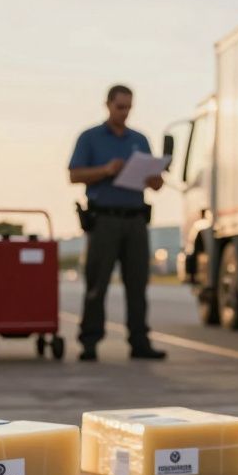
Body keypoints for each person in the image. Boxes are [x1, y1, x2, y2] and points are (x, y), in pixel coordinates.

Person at [68, 84, 167, 361]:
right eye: (120, 107)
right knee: (96, 284)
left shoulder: (140, 139)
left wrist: (155, 178)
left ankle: (139, 342)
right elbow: (74, 175)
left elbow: (155, 183)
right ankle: (89, 342)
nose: (124, 113)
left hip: (135, 219)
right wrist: (105, 170)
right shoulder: (90, 138)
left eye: (129, 108)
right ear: (108, 105)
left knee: (138, 284)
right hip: (104, 220)